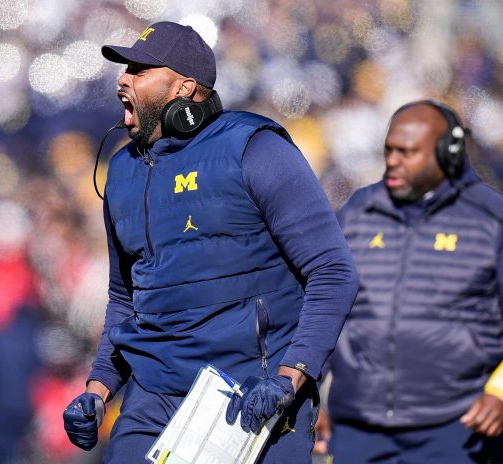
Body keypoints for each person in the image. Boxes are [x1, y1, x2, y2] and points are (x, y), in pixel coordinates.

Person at [61, 21, 359, 463]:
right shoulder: (120, 171)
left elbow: (334, 272)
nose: (123, 77)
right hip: (153, 400)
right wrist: (98, 388)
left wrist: (289, 376)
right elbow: (125, 299)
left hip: (256, 398)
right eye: (125, 68)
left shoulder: (256, 149)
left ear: (184, 88)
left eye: (140, 69)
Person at [315, 100, 503, 463]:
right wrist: (312, 399)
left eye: (408, 152)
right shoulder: (356, 212)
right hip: (358, 429)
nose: (393, 160)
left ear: (448, 154)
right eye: (389, 150)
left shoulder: (496, 219)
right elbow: (322, 308)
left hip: (458, 431)